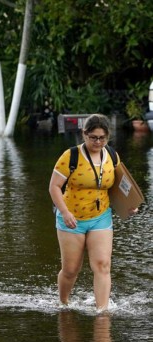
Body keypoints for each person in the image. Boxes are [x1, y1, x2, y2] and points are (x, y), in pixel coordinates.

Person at [48, 113, 137, 312]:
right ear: (84, 134)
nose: (98, 142)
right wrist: (65, 212)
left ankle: (102, 312)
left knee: (103, 265)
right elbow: (54, 187)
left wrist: (129, 205)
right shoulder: (70, 156)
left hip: (100, 218)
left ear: (108, 137)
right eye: (93, 137)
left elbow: (119, 187)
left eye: (102, 138)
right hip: (72, 218)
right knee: (71, 271)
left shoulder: (112, 156)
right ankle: (63, 304)